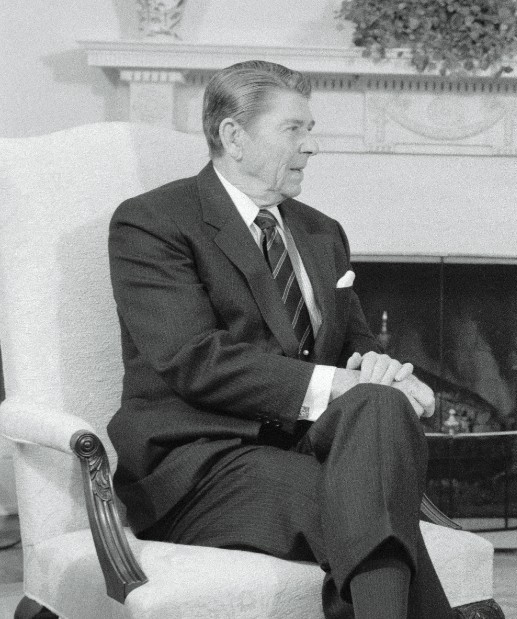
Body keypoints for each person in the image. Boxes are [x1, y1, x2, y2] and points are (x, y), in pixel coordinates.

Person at [107, 60, 454, 619]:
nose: (310, 146)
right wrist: (342, 383)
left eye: (309, 130)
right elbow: (194, 359)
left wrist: (390, 375)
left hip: (307, 449)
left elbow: (357, 347)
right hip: (200, 463)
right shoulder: (152, 222)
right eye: (294, 129)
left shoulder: (321, 231)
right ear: (233, 136)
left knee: (378, 407)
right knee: (373, 512)